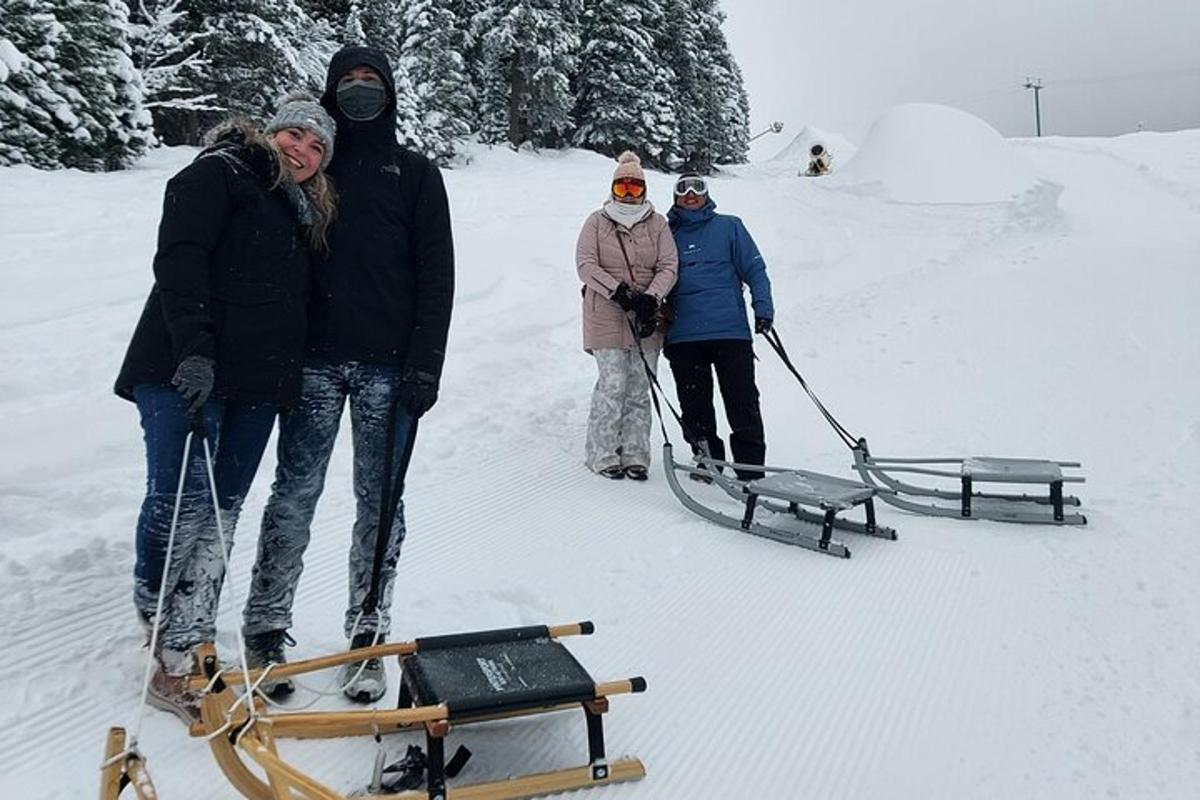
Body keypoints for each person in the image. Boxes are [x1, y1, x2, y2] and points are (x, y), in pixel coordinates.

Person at [240, 45, 455, 703]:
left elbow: (436, 275)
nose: (361, 90)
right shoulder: (309, 169)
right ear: (330, 92)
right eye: (349, 81)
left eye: (372, 80)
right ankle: (266, 629)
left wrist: (425, 365)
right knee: (294, 494)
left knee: (381, 504)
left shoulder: (414, 173)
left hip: (389, 372)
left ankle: (367, 636)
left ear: (390, 90)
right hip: (312, 366)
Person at [114, 94, 338, 723]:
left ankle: (189, 638)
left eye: (317, 147)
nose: (302, 150)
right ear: (270, 132)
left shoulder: (300, 212)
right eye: (294, 134)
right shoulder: (220, 171)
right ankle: (159, 624)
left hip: (256, 386)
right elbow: (180, 261)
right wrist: (194, 349)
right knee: (181, 498)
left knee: (221, 512)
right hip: (184, 368)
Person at [664, 173, 774, 482]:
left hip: (730, 331)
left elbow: (754, 268)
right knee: (694, 403)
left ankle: (750, 465)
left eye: (696, 188)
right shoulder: (665, 234)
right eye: (682, 189)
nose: (689, 194)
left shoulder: (730, 226)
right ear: (675, 196)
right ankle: (708, 459)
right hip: (684, 334)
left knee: (742, 399)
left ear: (706, 194)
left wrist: (763, 307)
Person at [575, 151, 678, 480]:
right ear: (613, 189)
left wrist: (651, 297)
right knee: (613, 383)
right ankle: (603, 453)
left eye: (635, 188)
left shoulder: (658, 223)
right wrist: (616, 290)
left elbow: (668, 265)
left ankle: (635, 453)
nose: (629, 195)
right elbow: (585, 264)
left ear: (644, 190)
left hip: (645, 316)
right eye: (623, 189)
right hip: (606, 314)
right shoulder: (597, 221)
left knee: (639, 386)